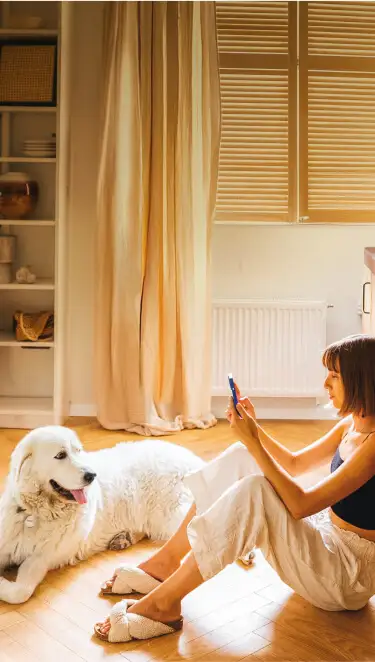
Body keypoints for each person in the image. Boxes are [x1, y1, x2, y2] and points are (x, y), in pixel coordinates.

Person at [94, 334, 375, 643]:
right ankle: (166, 563)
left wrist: (252, 440)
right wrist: (253, 430)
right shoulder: (351, 424)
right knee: (243, 457)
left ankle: (165, 603)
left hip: (347, 577)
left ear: (361, 380)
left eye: (335, 376)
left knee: (256, 491)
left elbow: (301, 505)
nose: (326, 384)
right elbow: (294, 465)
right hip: (327, 539)